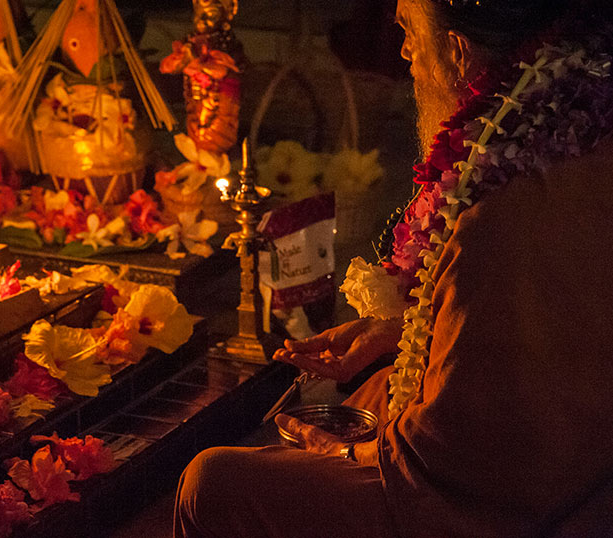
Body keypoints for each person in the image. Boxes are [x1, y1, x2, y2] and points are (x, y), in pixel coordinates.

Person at [174, 0, 613, 536]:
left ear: (456, 49)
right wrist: (400, 331)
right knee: (372, 391)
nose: (404, 51)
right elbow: (533, 336)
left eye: (408, 30)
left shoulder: (497, 214)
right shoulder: (577, 130)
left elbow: (452, 464)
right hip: (567, 459)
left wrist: (341, 450)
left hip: (519, 502)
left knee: (211, 482)